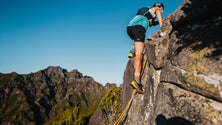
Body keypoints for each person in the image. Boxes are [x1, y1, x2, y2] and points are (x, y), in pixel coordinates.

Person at [126, 2, 165, 94]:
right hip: (138, 28)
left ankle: (132, 50)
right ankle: (137, 81)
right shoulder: (157, 9)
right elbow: (159, 16)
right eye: (162, 10)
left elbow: (152, 23)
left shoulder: (146, 12)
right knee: (139, 54)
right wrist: (162, 27)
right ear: (159, 7)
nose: (162, 12)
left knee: (138, 43)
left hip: (130, 28)